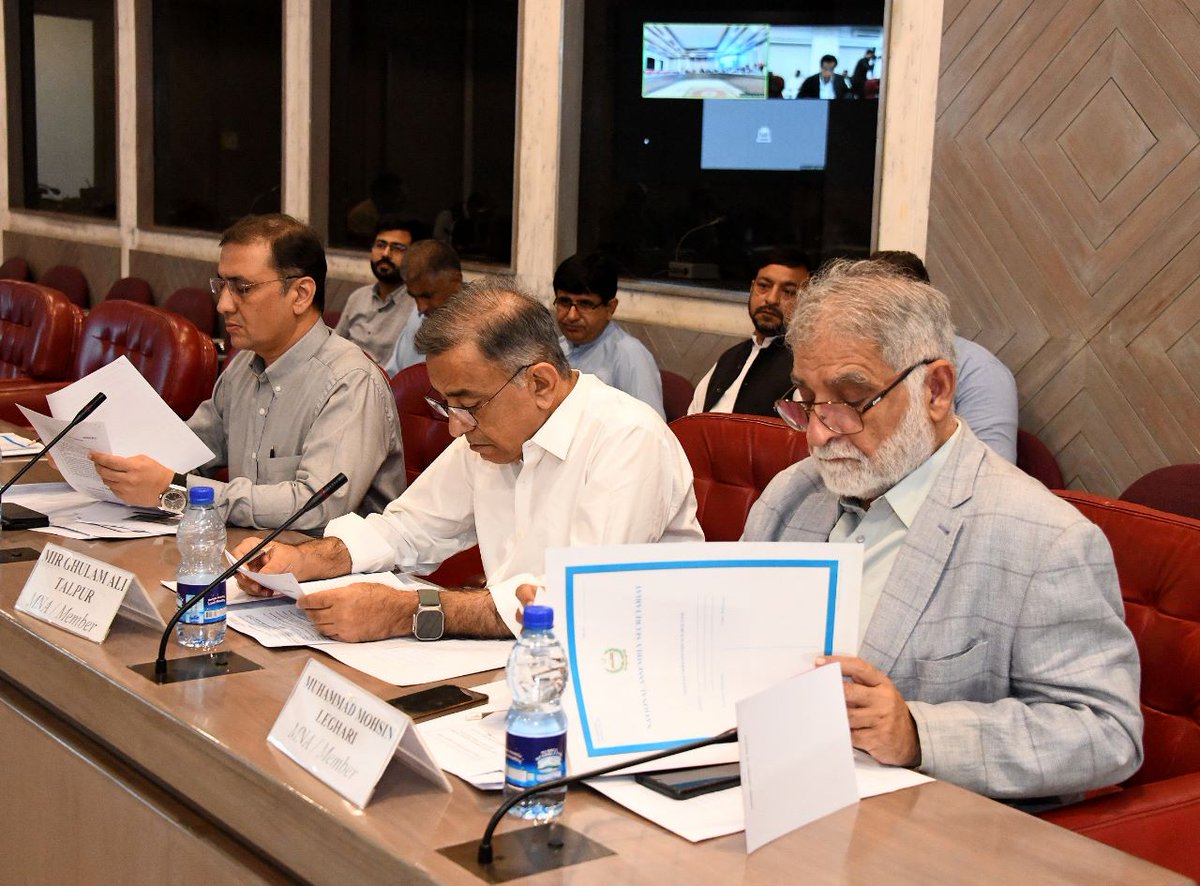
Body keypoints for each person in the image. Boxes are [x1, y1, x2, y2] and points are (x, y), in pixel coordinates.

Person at [742, 259, 1142, 803]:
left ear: (935, 389)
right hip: (767, 791)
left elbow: (1106, 732)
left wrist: (917, 733)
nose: (817, 431)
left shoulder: (1044, 539)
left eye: (850, 399)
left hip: (926, 835)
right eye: (806, 399)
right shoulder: (794, 497)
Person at [233, 280, 702, 641]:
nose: (456, 427)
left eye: (468, 404)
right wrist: (305, 559)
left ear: (539, 383)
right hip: (519, 661)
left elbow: (572, 604)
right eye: (447, 406)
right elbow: (409, 528)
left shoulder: (626, 439)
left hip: (623, 673)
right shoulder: (491, 430)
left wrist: (408, 610)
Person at [89, 214, 406, 530]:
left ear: (300, 294)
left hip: (327, 569)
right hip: (247, 553)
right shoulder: (243, 365)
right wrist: (118, 461)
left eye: (242, 288)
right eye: (222, 286)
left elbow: (317, 507)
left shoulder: (351, 381)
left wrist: (176, 492)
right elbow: (191, 447)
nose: (223, 305)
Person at [870, 250, 1019, 463]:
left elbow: (990, 470)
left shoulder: (979, 371)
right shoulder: (857, 367)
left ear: (923, 308)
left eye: (883, 310)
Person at [688, 249, 811, 416]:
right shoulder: (729, 359)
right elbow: (693, 421)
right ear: (752, 288)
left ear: (806, 301)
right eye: (764, 286)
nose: (772, 299)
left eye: (788, 291)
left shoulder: (805, 368)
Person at [553, 252, 665, 418]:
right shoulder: (554, 349)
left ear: (610, 308)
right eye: (564, 302)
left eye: (585, 304)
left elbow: (652, 431)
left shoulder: (630, 357)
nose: (571, 315)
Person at [333, 216, 426, 365]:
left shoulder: (419, 308)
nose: (386, 254)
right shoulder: (358, 297)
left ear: (415, 256)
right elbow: (332, 348)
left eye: (397, 248)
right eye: (381, 245)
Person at [383, 240, 463, 376]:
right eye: (414, 296)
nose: (421, 307)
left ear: (456, 280)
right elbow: (394, 375)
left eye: (427, 296)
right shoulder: (418, 316)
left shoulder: (484, 321)